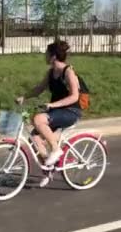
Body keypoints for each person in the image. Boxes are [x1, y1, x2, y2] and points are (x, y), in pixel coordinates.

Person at [16, 40, 81, 187]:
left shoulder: (68, 72)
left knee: (38, 119)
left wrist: (53, 104)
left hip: (71, 111)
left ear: (53, 57)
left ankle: (56, 149)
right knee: (34, 138)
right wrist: (24, 97)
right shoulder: (51, 72)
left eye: (47, 53)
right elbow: (39, 88)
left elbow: (74, 96)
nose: (44, 56)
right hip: (57, 111)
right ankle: (48, 170)